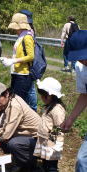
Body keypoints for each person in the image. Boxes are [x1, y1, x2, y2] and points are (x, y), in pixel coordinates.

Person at [0, 82, 40, 171]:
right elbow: (5, 128)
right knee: (2, 137)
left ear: (6, 93)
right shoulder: (10, 101)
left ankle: (30, 165)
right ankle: (20, 160)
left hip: (38, 140)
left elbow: (5, 134)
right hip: (28, 137)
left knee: (13, 143)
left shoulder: (15, 106)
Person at [61, 30, 87, 172]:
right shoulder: (81, 68)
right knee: (83, 160)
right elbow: (85, 94)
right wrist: (70, 119)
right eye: (80, 58)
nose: (83, 61)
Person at [0, 13, 35, 111]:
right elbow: (19, 53)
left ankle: (19, 121)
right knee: (14, 98)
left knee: (18, 101)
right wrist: (9, 59)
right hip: (17, 72)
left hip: (23, 74)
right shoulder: (20, 36)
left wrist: (13, 60)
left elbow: (31, 56)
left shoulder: (27, 37)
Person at [33, 77, 66, 172]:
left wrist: (54, 143)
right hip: (44, 140)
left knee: (51, 165)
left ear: (51, 95)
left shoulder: (57, 109)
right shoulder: (49, 106)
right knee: (45, 161)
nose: (41, 98)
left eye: (43, 96)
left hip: (52, 143)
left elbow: (59, 127)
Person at [19, 9, 37, 112]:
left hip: (27, 64)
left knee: (30, 89)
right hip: (27, 63)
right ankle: (30, 109)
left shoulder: (28, 32)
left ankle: (32, 110)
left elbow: (30, 54)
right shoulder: (31, 29)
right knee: (30, 89)